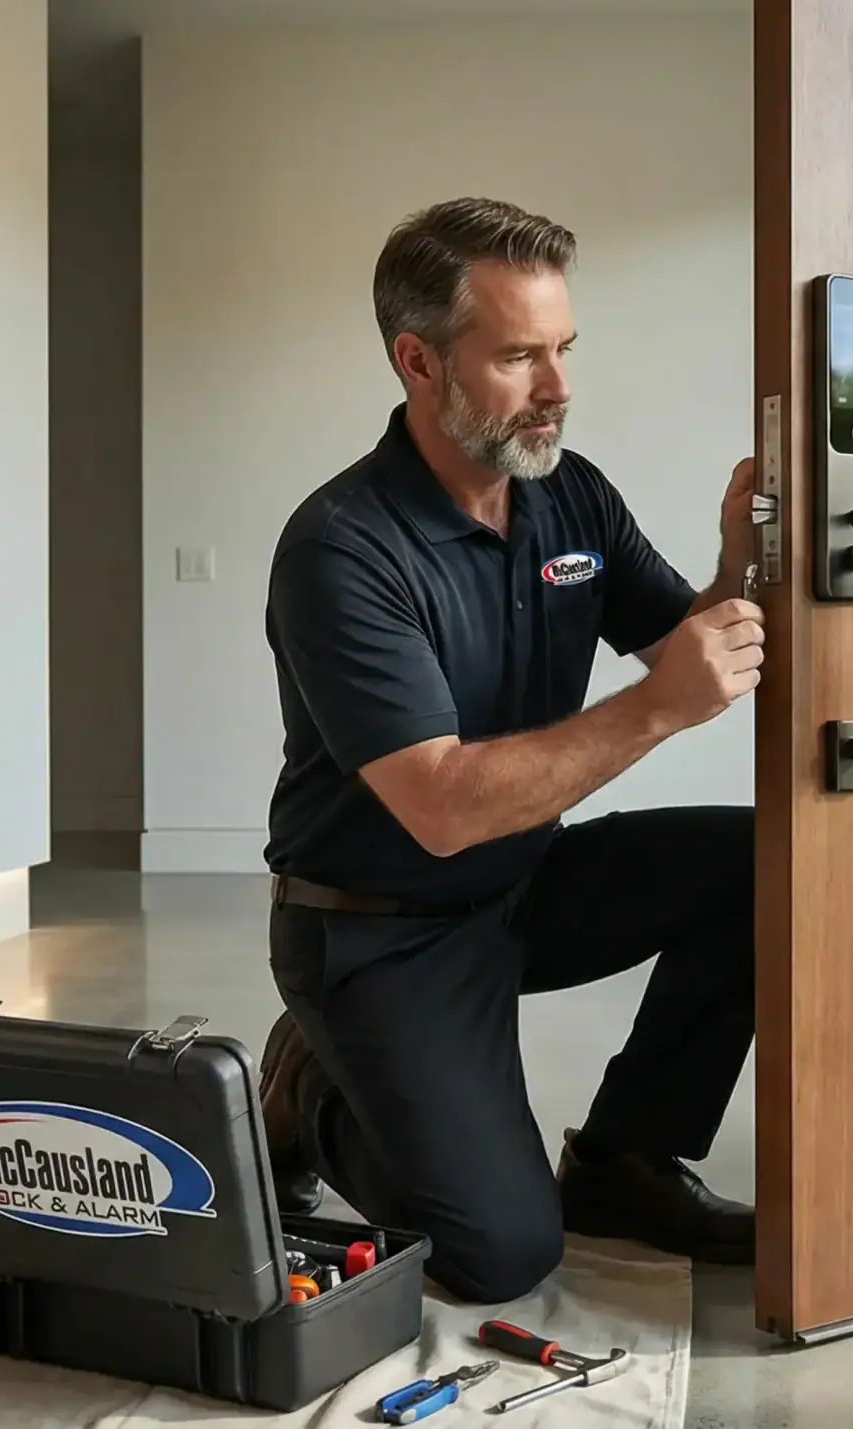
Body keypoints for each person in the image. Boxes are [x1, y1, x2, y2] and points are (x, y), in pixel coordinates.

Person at [257, 197, 765, 1303]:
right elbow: (440, 805)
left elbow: (683, 651)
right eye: (519, 356)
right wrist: (656, 710)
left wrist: (737, 563)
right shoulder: (341, 549)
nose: (558, 387)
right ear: (419, 361)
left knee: (762, 867)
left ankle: (625, 1160)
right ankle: (313, 1088)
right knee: (497, 1255)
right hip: (375, 932)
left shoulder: (565, 493)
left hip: (522, 882)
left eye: (564, 349)